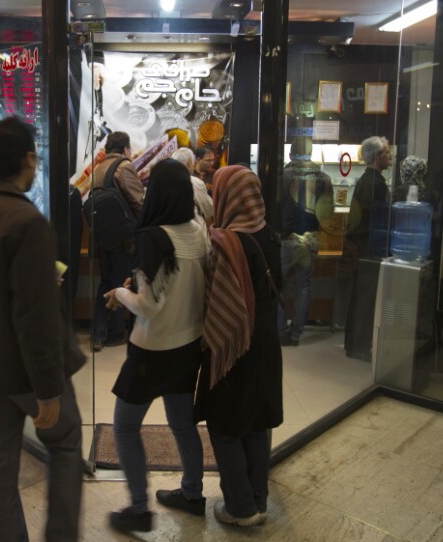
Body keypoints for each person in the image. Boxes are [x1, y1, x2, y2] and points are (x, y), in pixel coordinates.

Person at [0, 116, 86, 542]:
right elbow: (35, 318)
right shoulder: (27, 222)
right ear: (28, 158)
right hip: (26, 371)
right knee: (65, 443)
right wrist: (48, 388)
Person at [103, 158, 209, 533]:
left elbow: (148, 306)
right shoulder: (198, 231)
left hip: (151, 350)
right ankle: (192, 494)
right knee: (182, 425)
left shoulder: (151, 238)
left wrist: (119, 293)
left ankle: (138, 509)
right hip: (189, 345)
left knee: (125, 427)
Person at [196, 165, 283, 528]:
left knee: (225, 426)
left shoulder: (225, 242)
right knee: (256, 422)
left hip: (234, 347)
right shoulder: (269, 235)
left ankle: (241, 509)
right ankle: (258, 502)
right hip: (266, 341)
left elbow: (212, 301)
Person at [90, 131, 145, 351]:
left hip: (103, 237)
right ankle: (115, 333)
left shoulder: (98, 168)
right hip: (123, 238)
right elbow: (138, 202)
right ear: (125, 149)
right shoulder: (124, 167)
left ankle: (99, 333)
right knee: (121, 282)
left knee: (106, 282)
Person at [342, 136, 392, 360]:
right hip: (367, 246)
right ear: (376, 156)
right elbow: (374, 219)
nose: (390, 156)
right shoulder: (375, 184)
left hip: (363, 245)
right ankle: (359, 346)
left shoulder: (368, 180)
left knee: (360, 295)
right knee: (366, 297)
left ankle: (354, 344)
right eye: (386, 152)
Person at [277, 139, 328, 346]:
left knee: (278, 285)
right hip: (310, 239)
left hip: (285, 237)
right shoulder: (322, 177)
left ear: (291, 154)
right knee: (303, 286)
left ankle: (281, 331)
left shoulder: (282, 175)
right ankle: (296, 334)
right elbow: (327, 211)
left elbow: (276, 204)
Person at [170, 147, 214, 225]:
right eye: (208, 160)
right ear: (189, 164)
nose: (212, 163)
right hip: (191, 227)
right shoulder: (195, 182)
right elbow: (209, 211)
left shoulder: (164, 181)